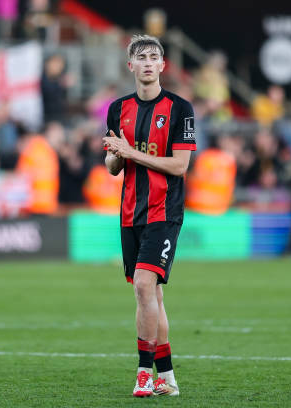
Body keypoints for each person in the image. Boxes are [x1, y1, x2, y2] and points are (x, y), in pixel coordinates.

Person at [102, 34, 196, 397]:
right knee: (151, 296)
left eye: (153, 56)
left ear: (162, 66)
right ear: (131, 66)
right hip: (130, 212)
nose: (147, 62)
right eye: (140, 56)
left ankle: (143, 373)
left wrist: (131, 152)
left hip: (164, 210)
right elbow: (113, 166)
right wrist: (117, 154)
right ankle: (167, 377)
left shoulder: (180, 108)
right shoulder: (117, 109)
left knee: (144, 285)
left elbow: (179, 165)